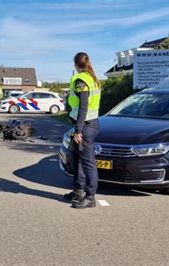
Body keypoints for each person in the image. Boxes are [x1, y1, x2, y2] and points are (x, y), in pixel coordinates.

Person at [63, 52, 101, 209]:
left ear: (76, 65)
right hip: (85, 124)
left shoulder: (81, 80)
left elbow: (83, 106)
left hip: (85, 126)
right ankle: (79, 191)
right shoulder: (92, 78)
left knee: (87, 162)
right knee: (77, 159)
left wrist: (78, 130)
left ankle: (90, 197)